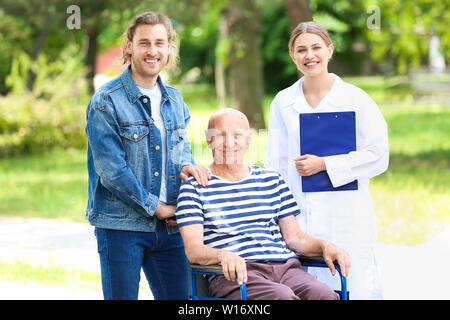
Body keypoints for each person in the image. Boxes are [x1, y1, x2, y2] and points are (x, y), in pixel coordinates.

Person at [85, 11, 210, 300]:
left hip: (171, 227)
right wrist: (156, 207)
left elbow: (181, 150)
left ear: (169, 48)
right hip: (121, 225)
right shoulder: (106, 101)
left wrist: (189, 168)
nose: (152, 51)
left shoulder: (175, 98)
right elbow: (111, 170)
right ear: (129, 46)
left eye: (159, 43)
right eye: (144, 43)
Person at [265, 21, 389, 299]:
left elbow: (379, 156)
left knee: (352, 284)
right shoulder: (282, 102)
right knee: (308, 287)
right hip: (300, 217)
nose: (310, 55)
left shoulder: (356, 99)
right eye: (301, 50)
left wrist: (325, 165)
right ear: (292, 56)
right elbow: (275, 162)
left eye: (316, 47)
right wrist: (277, 215)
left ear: (329, 50)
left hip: (347, 214)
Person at [175, 108, 350, 300]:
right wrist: (223, 256)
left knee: (324, 294)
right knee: (281, 296)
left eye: (237, 135)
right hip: (237, 274)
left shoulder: (272, 180)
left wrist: (325, 246)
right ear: (209, 140)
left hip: (286, 269)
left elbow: (295, 238)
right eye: (220, 135)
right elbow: (193, 250)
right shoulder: (195, 188)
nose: (230, 142)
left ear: (248, 140)